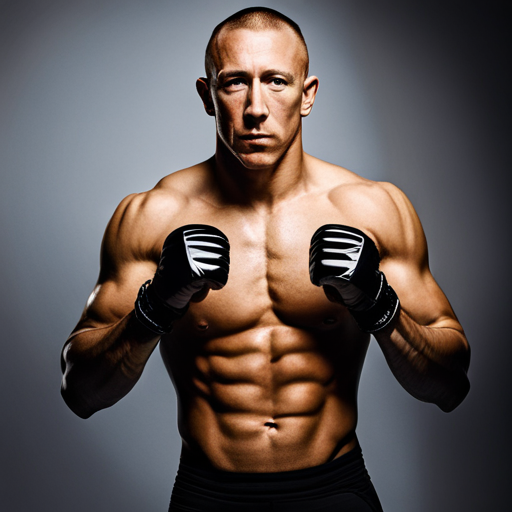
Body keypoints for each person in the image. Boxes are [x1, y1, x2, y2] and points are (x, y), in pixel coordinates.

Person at [60, 7, 470, 511]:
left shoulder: (373, 209)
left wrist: (378, 303)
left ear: (308, 93)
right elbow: (81, 392)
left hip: (334, 491)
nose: (256, 107)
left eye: (276, 81)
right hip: (208, 495)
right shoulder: (151, 217)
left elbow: (450, 384)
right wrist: (156, 306)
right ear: (207, 96)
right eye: (234, 83)